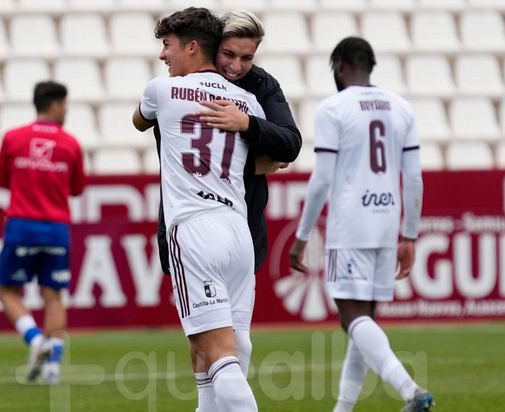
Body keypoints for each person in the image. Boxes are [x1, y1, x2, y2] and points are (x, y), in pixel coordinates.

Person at [154, 8, 302, 384]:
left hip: (241, 220)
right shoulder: (178, 87)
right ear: (209, 48)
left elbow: (290, 144)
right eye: (229, 55)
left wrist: (247, 124)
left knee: (234, 342)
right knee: (206, 340)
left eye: (247, 57)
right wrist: (250, 163)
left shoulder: (260, 87)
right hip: (192, 219)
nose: (237, 66)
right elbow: (177, 155)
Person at [287, 37, 432, 412]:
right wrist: (410, 235)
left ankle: (410, 389)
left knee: (351, 317)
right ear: (371, 65)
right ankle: (344, 408)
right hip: (387, 223)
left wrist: (302, 237)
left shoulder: (333, 108)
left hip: (350, 225)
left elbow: (321, 180)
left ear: (338, 65)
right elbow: (414, 179)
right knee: (363, 323)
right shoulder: (402, 108)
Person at [133, 7, 265, 411]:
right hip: (238, 230)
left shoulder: (162, 90)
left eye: (167, 45)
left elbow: (139, 122)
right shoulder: (246, 102)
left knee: (220, 352)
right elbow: (272, 157)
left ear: (192, 46)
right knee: (230, 347)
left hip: (193, 229)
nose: (162, 56)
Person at [0, 81, 86, 385]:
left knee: (7, 291)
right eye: (65, 104)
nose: (67, 110)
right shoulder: (70, 143)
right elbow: (76, 189)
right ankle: (52, 369)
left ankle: (35, 340)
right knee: (53, 296)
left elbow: (4, 181)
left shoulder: (12, 138)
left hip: (21, 224)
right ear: (56, 104)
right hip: (56, 228)